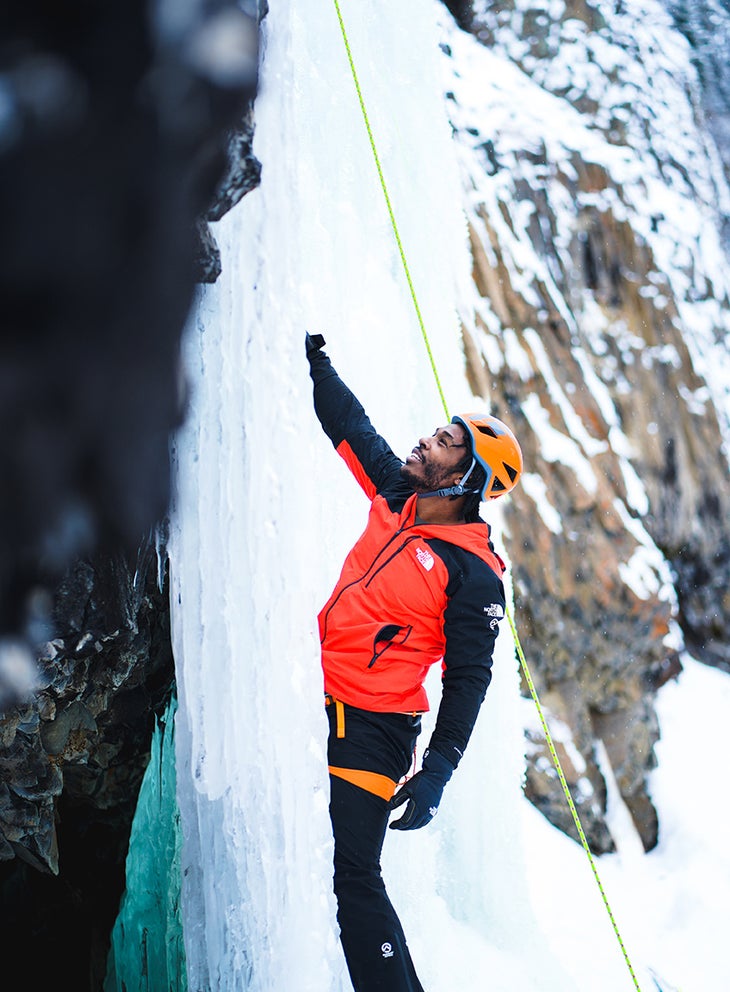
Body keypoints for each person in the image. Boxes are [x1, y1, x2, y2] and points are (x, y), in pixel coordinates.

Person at [306, 333, 522, 991]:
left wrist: (439, 769)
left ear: (466, 479)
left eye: (447, 442)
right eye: (438, 431)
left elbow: (469, 678)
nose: (429, 439)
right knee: (355, 879)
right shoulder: (399, 493)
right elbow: (351, 428)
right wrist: (319, 363)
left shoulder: (474, 574)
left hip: (376, 729)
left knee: (357, 880)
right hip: (329, 697)